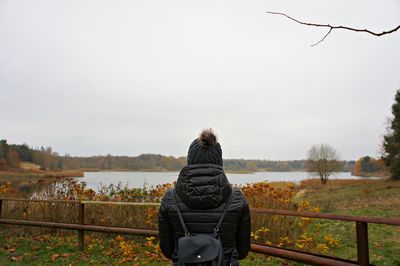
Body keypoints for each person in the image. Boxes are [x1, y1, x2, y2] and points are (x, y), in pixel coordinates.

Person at [158, 129, 251, 265]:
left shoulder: (170, 198)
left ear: (190, 159)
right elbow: (242, 252)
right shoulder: (236, 199)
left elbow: (167, 250)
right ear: (219, 160)